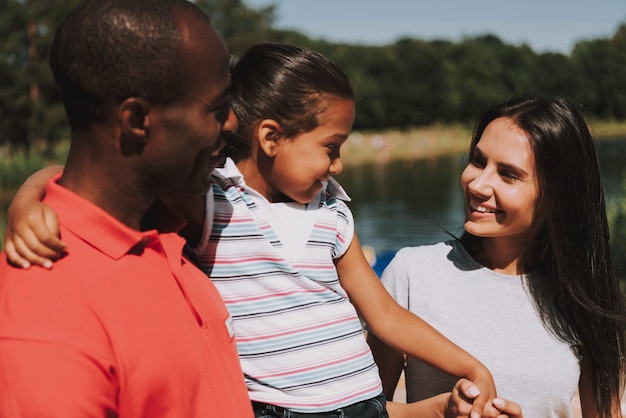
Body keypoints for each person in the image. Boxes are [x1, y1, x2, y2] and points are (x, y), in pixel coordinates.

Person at [3, 42, 523, 418]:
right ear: (272, 137)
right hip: (275, 409)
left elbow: (384, 314)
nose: (338, 165)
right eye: (331, 147)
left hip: (363, 402)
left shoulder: (331, 212)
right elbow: (104, 180)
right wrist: (32, 194)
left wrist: (468, 364)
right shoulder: (210, 199)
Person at [0, 0, 254, 416]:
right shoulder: (45, 315)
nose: (230, 123)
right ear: (137, 120)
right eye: (216, 107)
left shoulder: (168, 224)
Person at [366, 96, 626, 418]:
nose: (477, 183)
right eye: (478, 160)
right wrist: (437, 411)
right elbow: (362, 412)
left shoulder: (584, 299)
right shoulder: (412, 274)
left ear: (556, 198)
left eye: (508, 174)